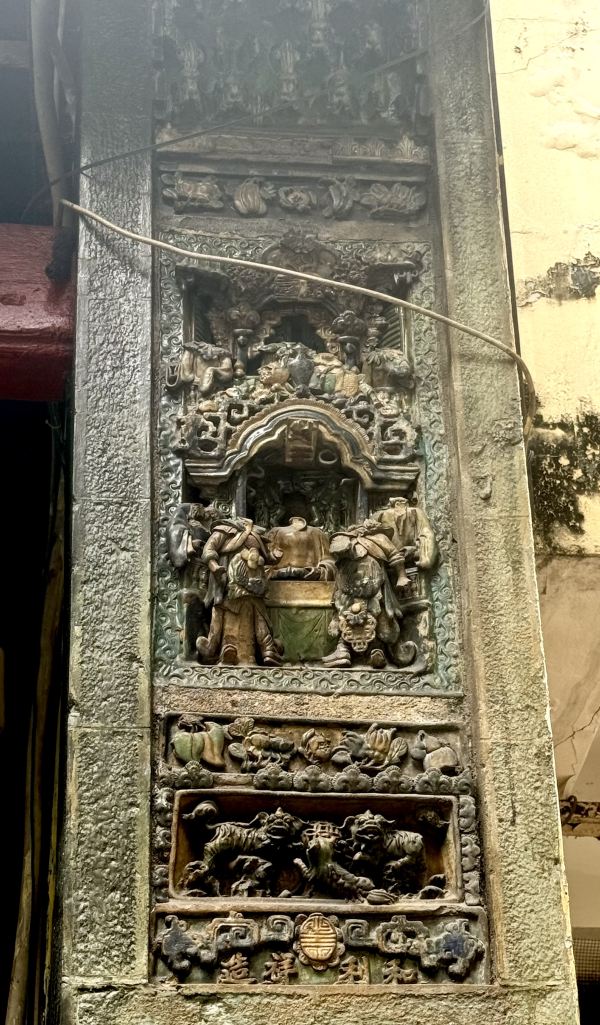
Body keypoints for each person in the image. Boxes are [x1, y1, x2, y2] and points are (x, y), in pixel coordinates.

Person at [198, 518, 282, 666]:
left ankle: (266, 649)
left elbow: (266, 557)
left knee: (258, 615)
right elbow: (209, 549)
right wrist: (214, 566)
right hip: (227, 583)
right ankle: (223, 648)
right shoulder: (224, 530)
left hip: (253, 588)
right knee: (223, 612)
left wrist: (274, 557)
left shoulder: (255, 536)